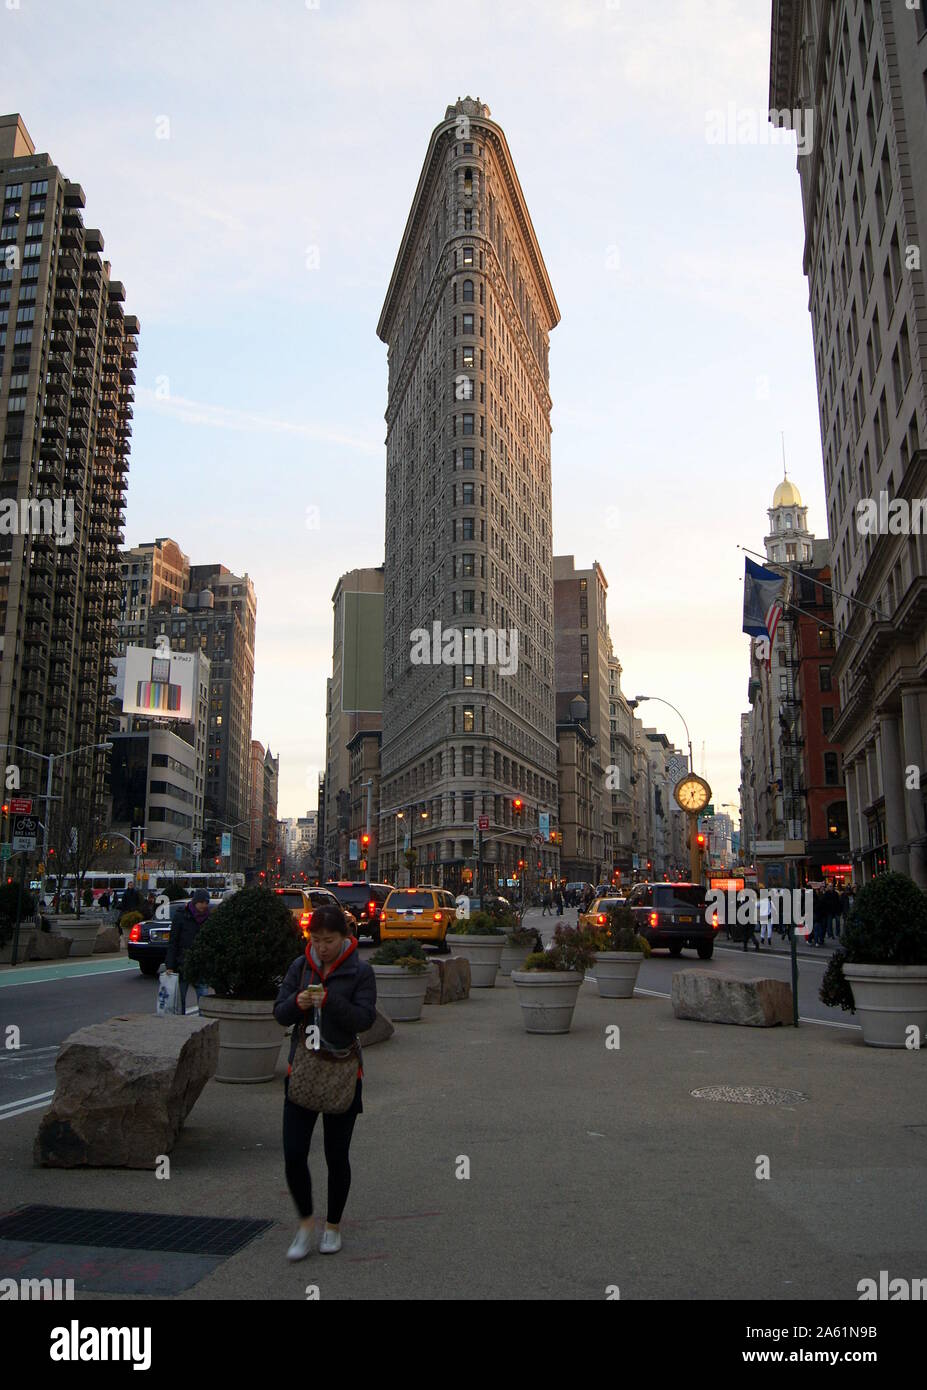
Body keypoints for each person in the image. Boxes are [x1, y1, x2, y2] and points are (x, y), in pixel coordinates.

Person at [274, 902, 376, 1260]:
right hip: (302, 1069)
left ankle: (332, 1226)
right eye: (315, 939)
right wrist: (298, 1003)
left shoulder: (360, 973)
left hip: (342, 1072)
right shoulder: (300, 968)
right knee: (294, 1153)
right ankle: (305, 1224)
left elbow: (364, 1019)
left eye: (329, 940)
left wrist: (330, 1001)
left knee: (336, 1155)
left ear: (344, 938)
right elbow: (279, 1012)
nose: (322, 947)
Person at [164, 889, 211, 1014]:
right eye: (201, 902)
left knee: (204, 1002)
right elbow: (173, 942)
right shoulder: (181, 916)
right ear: (195, 902)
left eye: (206, 903)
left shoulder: (209, 918)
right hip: (182, 964)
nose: (204, 905)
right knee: (180, 1003)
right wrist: (170, 965)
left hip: (201, 965)